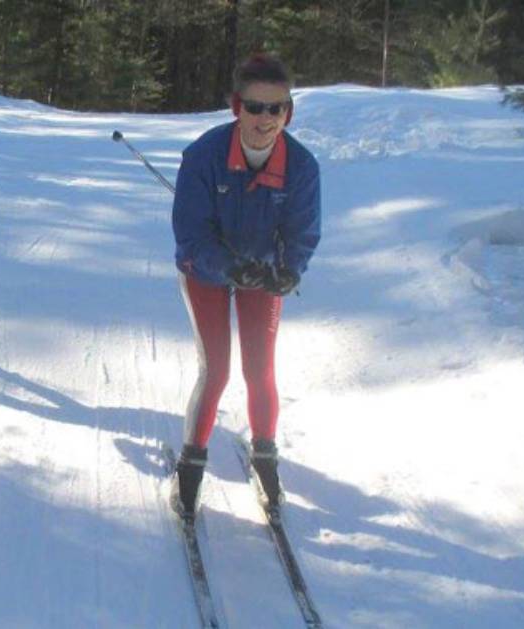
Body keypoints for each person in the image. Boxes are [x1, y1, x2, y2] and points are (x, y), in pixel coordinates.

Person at [169, 54, 321, 517]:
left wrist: (290, 269)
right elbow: (190, 236)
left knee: (261, 371)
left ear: (288, 112)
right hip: (206, 272)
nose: (265, 119)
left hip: (262, 273)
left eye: (276, 109)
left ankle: (265, 456)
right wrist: (228, 268)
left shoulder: (301, 166)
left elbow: (303, 232)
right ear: (237, 107)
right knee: (216, 371)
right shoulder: (203, 157)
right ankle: (191, 465)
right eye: (254, 107)